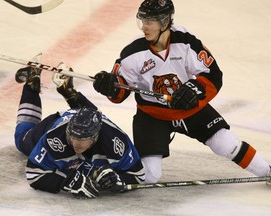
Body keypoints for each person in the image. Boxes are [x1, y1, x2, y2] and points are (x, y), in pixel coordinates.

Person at [92, 0, 271, 184]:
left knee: (227, 143)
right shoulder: (133, 52)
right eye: (142, 21)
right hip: (153, 115)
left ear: (165, 22)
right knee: (150, 175)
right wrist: (111, 87)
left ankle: (268, 172)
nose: (144, 27)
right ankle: (106, 174)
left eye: (150, 21)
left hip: (188, 108)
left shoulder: (186, 41)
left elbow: (213, 75)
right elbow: (120, 90)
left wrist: (194, 89)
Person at [14, 62, 145, 199]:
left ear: (94, 137)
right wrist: (67, 182)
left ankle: (70, 93)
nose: (75, 143)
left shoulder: (114, 141)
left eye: (82, 140)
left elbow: (138, 175)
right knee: (21, 140)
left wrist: (118, 179)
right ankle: (31, 83)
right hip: (57, 122)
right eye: (73, 136)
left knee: (94, 117)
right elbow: (34, 174)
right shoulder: (55, 137)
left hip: (92, 120)